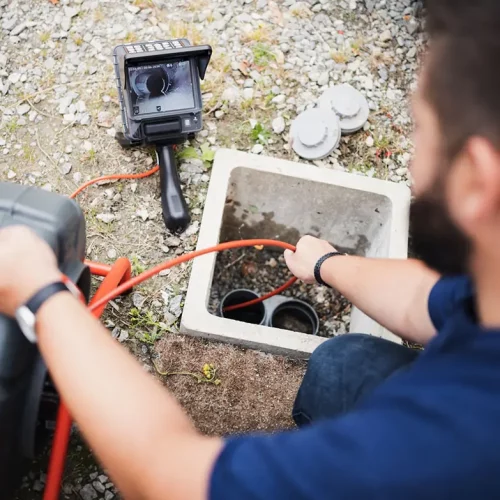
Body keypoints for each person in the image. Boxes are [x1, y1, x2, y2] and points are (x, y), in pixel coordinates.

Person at [3, 0, 500, 498]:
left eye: (420, 130)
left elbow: (164, 477)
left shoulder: (440, 452)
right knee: (339, 365)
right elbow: (427, 299)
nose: (412, 163)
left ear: (477, 180)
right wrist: (327, 265)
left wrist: (42, 296)